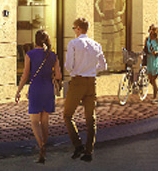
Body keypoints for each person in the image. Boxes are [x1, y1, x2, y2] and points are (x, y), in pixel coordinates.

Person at [61, 16, 107, 162]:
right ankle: (89, 151)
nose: (74, 31)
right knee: (90, 118)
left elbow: (68, 66)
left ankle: (78, 144)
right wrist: (92, 69)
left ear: (79, 29)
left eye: (74, 28)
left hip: (78, 81)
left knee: (68, 115)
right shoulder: (96, 44)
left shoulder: (74, 43)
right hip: (91, 82)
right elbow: (103, 66)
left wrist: (76, 70)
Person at [14, 28, 61, 163]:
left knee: (35, 121)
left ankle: (41, 146)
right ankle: (44, 143)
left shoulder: (30, 54)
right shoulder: (53, 55)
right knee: (45, 121)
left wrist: (19, 91)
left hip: (36, 88)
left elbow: (25, 75)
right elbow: (58, 75)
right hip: (48, 88)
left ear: (35, 41)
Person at [143, 24, 158, 102]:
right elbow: (145, 48)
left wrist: (157, 52)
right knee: (150, 80)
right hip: (149, 60)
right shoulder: (147, 39)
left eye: (153, 29)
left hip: (156, 60)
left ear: (156, 31)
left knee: (153, 79)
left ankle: (154, 97)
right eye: (150, 29)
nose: (151, 31)